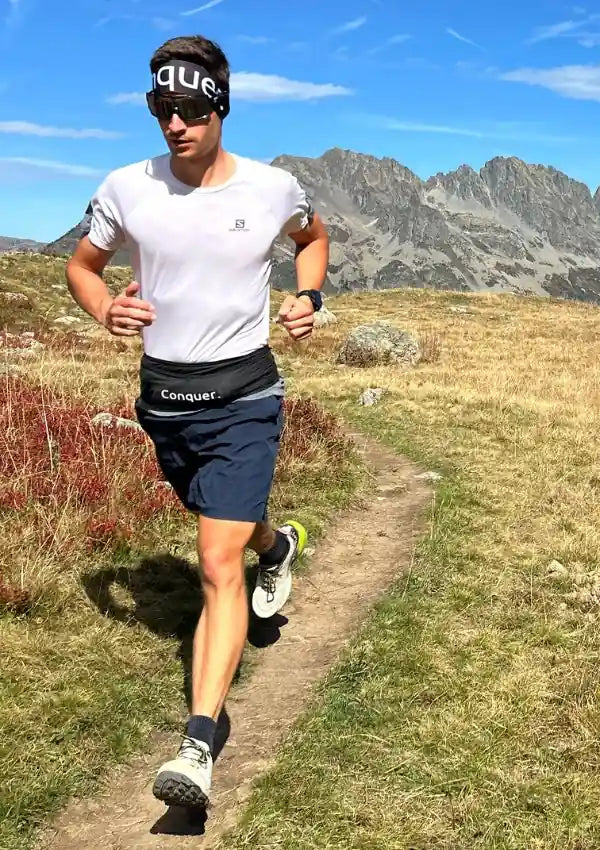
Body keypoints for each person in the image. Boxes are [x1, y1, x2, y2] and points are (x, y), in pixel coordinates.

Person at [65, 34, 330, 811]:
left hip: (247, 395)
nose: (173, 123)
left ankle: (199, 740)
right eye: (160, 108)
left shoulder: (274, 187)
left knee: (217, 563)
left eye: (187, 107)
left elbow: (313, 242)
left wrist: (309, 298)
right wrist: (103, 305)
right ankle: (278, 545)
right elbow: (83, 265)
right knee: (231, 527)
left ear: (219, 105)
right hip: (165, 402)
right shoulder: (126, 186)